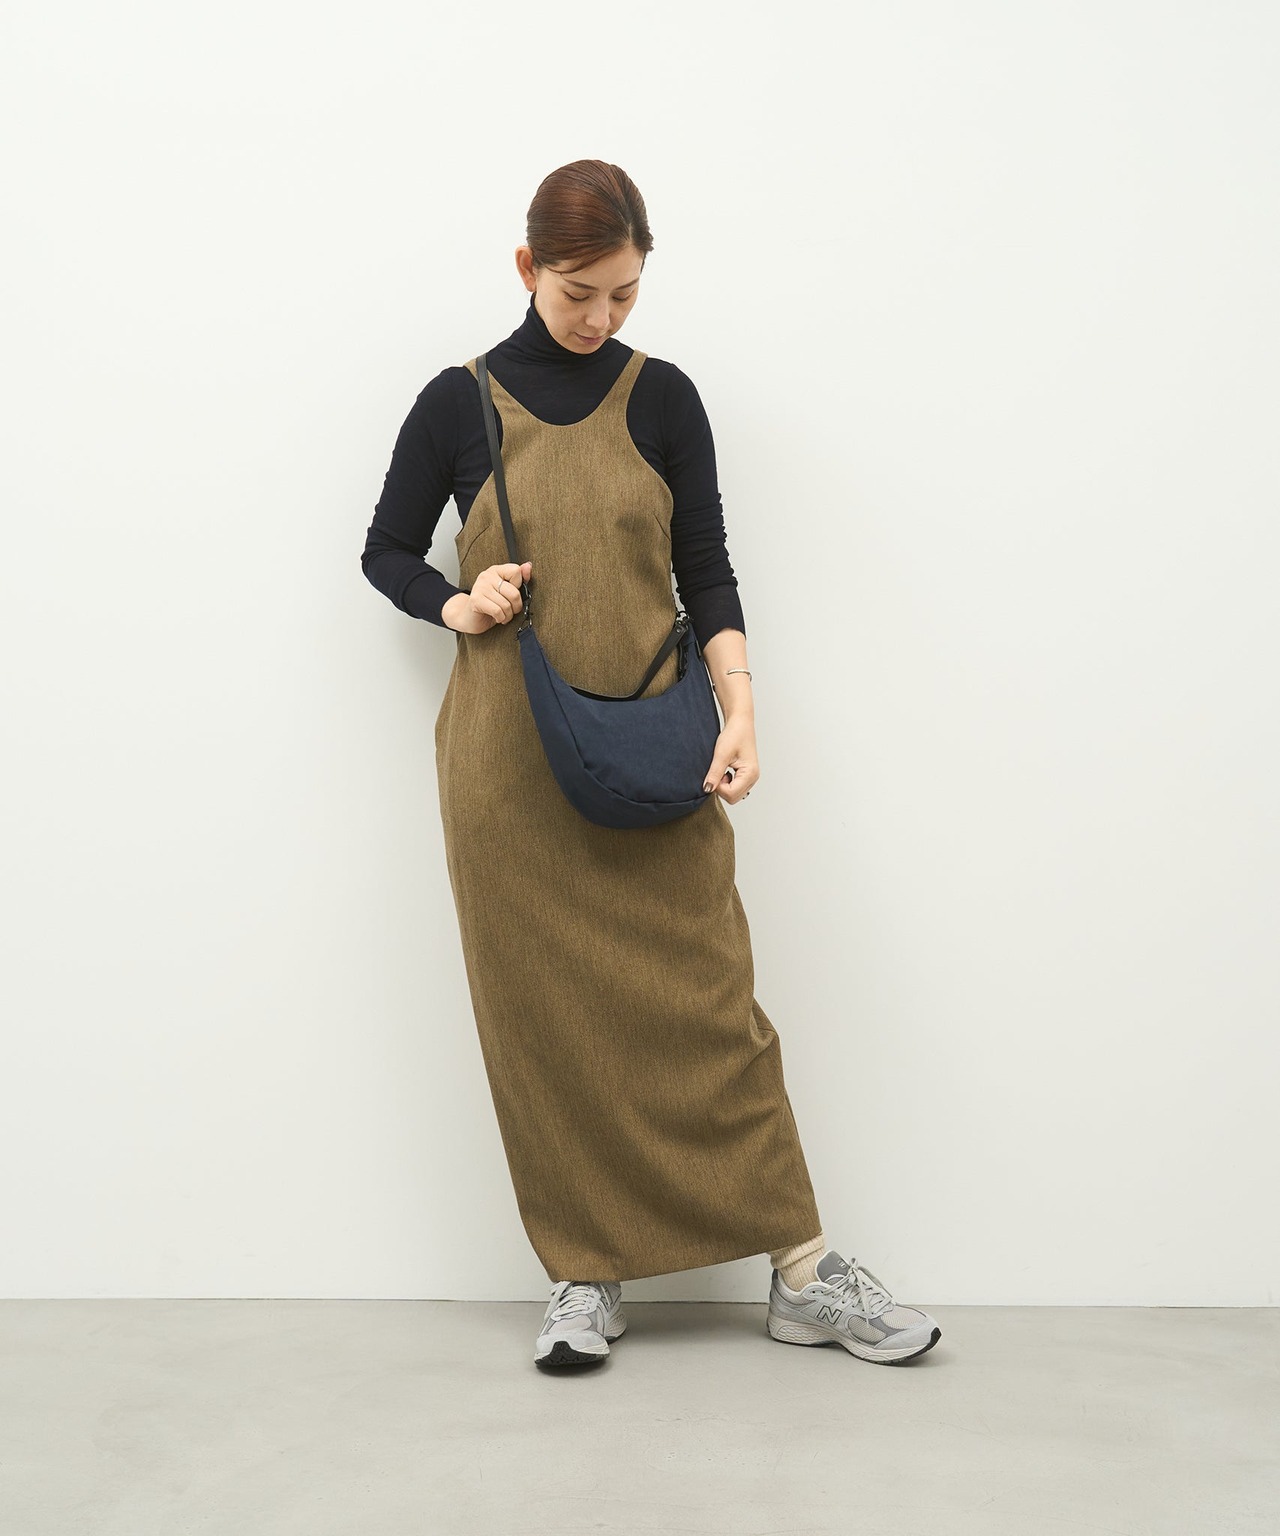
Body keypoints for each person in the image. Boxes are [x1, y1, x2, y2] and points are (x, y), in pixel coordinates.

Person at [361, 160, 942, 1370]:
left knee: (710, 1004)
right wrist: (457, 601)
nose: (600, 317)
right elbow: (384, 552)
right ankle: (584, 1273)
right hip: (507, 767)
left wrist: (740, 712)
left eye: (623, 293)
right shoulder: (456, 404)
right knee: (543, 1026)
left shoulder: (663, 397)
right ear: (526, 268)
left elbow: (706, 568)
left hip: (656, 742)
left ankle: (801, 1271)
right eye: (577, 292)